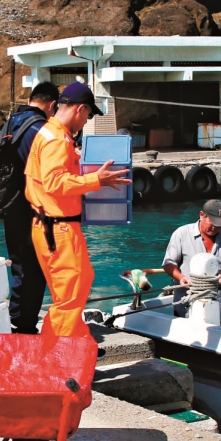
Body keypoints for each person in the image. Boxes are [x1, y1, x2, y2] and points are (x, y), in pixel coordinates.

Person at [25, 82, 131, 337]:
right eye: (89, 115)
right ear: (80, 109)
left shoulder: (48, 133)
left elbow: (40, 178)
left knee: (73, 291)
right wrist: (97, 180)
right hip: (59, 229)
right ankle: (58, 362)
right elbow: (54, 182)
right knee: (70, 299)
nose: (86, 121)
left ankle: (73, 347)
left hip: (47, 226)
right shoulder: (57, 140)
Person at [0, 82, 59, 334]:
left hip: (10, 206)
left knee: (20, 266)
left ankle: (17, 318)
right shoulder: (39, 129)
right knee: (34, 271)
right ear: (52, 106)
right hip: (30, 211)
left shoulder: (11, 122)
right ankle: (24, 326)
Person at [162, 199, 221, 294]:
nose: (215, 228)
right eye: (213, 223)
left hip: (215, 301)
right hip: (186, 301)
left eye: (219, 225)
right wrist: (181, 277)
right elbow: (168, 264)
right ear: (201, 215)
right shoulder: (181, 233)